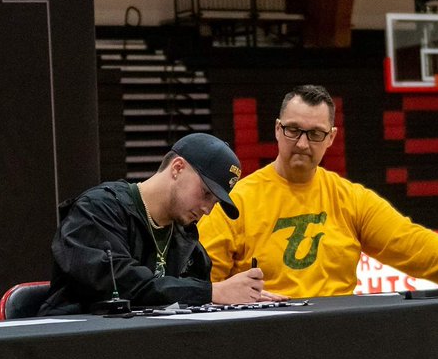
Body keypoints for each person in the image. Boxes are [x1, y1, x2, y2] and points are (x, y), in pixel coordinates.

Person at [198, 85, 438, 297]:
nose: (302, 143)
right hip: (261, 339)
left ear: (332, 137)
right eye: (292, 130)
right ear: (276, 129)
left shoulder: (349, 198)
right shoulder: (236, 202)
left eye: (315, 133)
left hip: (339, 334)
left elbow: (411, 244)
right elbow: (198, 286)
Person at [39, 132, 282, 314]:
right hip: (75, 349)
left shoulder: (185, 237)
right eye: (206, 193)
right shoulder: (98, 209)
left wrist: (240, 298)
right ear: (177, 168)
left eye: (215, 202)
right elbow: (119, 285)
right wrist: (214, 292)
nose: (208, 209)